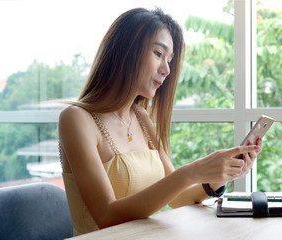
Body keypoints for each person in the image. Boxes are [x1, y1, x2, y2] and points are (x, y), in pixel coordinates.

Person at [59, 7, 262, 236]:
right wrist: (190, 172)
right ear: (126, 51)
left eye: (169, 60)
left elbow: (178, 198)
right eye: (158, 53)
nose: (166, 69)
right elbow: (106, 216)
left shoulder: (141, 118)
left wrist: (219, 176)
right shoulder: (76, 119)